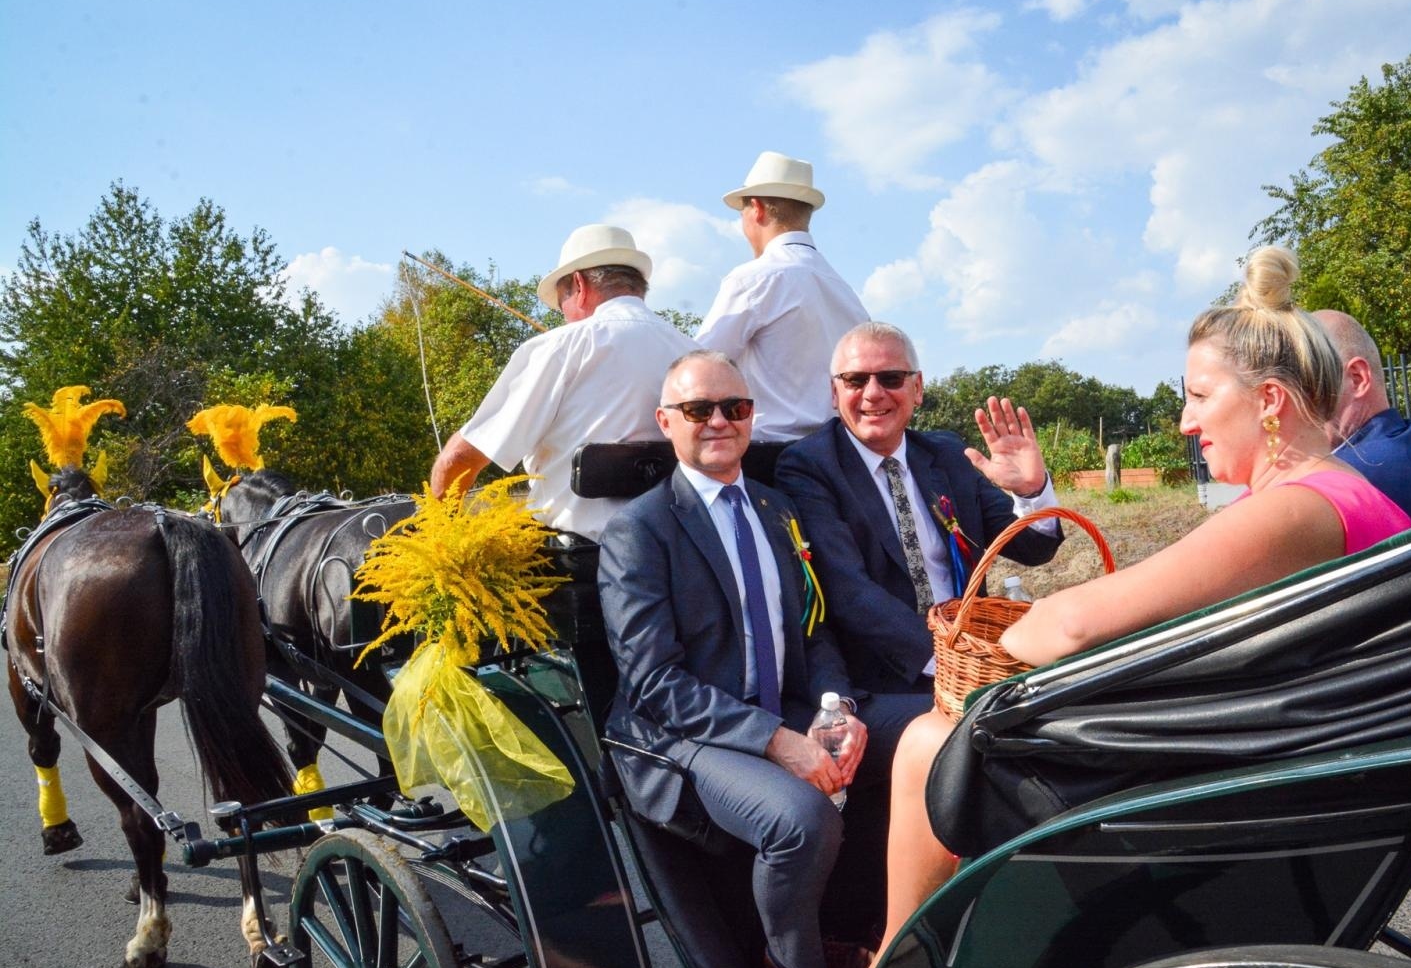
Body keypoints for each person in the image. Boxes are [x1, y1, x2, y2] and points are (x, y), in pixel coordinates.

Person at [873, 247, 1411, 962]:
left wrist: (1031, 629)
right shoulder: (1348, 493)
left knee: (924, 743)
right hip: (1281, 754)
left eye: (1199, 395)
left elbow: (1069, 626)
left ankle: (894, 958)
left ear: (1271, 401)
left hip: (1233, 788)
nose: (1186, 421)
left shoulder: (1294, 510)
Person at [601, 350, 923, 968]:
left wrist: (836, 710)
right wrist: (777, 741)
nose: (719, 420)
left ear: (751, 418)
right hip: (683, 736)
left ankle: (887, 933)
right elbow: (653, 683)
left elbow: (814, 627)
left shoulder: (777, 510)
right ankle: (791, 963)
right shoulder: (639, 530)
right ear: (666, 421)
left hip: (789, 706)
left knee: (933, 729)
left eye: (736, 407)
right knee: (802, 820)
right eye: (699, 409)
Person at [775, 321, 1064, 695]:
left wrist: (1031, 491)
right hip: (887, 677)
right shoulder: (809, 466)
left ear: (918, 388)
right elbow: (848, 591)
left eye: (891, 378)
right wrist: (949, 657)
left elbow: (1033, 549)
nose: (873, 394)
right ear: (835, 392)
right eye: (855, 380)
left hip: (974, 658)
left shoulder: (946, 455)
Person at [428, 224, 694, 541]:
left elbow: (460, 461)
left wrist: (439, 542)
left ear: (578, 285)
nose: (563, 316)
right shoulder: (695, 352)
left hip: (578, 566)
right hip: (680, 555)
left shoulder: (558, 347)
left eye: (560, 303)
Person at [697, 151, 870, 441]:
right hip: (844, 453)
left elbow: (699, 369)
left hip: (774, 456)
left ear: (757, 209)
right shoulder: (846, 291)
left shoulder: (753, 279)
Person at [1314, 309, 1411, 525]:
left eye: (1305, 380)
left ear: (1356, 379)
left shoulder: (1354, 474)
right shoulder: (1402, 445)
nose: (1292, 403)